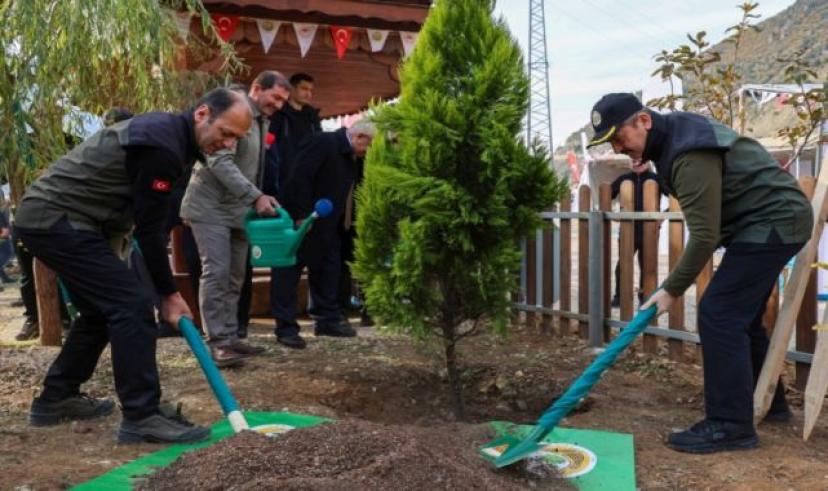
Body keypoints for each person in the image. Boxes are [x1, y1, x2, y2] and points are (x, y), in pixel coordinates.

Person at [14, 87, 253, 444]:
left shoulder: (177, 142)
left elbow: (148, 219)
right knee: (133, 305)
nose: (229, 144)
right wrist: (168, 294)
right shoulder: (162, 146)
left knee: (100, 312)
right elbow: (150, 231)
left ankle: (56, 398)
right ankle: (142, 416)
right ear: (202, 114)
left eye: (237, 139)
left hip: (67, 222)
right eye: (226, 133)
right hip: (55, 219)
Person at [588, 93, 813, 454]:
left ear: (643, 121)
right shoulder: (674, 138)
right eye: (610, 142)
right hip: (765, 221)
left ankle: (729, 426)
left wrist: (671, 289)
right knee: (740, 317)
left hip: (773, 221)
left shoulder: (687, 153)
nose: (617, 148)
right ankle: (770, 405)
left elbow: (705, 235)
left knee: (718, 313)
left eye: (619, 137)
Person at [181, 72, 289, 367]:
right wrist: (255, 196)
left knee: (235, 276)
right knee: (216, 272)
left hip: (239, 210)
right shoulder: (236, 114)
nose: (279, 105)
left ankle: (230, 337)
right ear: (257, 88)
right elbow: (219, 161)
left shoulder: (262, 120)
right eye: (275, 97)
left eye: (283, 100)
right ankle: (216, 342)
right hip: (210, 208)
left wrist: (255, 198)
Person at [271, 121, 376, 349]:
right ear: (359, 137)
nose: (368, 152)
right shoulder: (323, 142)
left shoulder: (351, 156)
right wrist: (301, 214)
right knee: (288, 273)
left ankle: (327, 320)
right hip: (302, 221)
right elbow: (299, 176)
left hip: (329, 225)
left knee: (329, 270)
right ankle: (286, 328)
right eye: (368, 146)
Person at [609, 161, 664, 307]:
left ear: (648, 161)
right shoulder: (623, 179)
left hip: (650, 231)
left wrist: (663, 216)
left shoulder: (656, 179)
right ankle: (619, 297)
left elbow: (675, 196)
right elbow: (605, 195)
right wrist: (612, 214)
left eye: (641, 160)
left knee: (647, 266)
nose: (637, 163)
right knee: (622, 264)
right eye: (633, 160)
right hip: (627, 231)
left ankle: (645, 297)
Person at [263, 72, 321, 197]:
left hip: (306, 178)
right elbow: (268, 145)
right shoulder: (278, 112)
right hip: (280, 178)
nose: (308, 94)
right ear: (292, 89)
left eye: (311, 90)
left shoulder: (312, 116)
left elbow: (319, 143)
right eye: (304, 89)